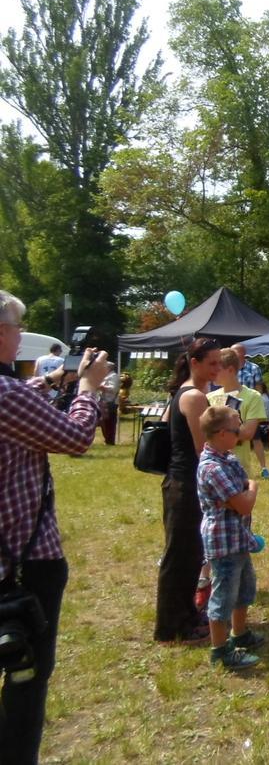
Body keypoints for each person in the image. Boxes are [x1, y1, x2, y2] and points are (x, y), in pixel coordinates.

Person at [0, 290, 107, 762]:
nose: (20, 336)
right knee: (26, 674)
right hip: (24, 560)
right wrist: (87, 390)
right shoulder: (7, 395)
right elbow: (76, 438)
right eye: (16, 328)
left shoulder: (13, 392)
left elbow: (21, 399)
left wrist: (54, 379)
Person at [154, 337, 221, 643]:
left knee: (191, 554)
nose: (217, 369)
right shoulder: (194, 396)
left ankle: (187, 616)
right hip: (186, 483)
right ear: (195, 363)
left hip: (182, 482)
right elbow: (202, 447)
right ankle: (171, 626)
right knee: (180, 556)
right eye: (212, 363)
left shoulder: (183, 391)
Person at [196, 406, 263, 671]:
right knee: (223, 596)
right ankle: (220, 651)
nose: (241, 434)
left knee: (245, 588)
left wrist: (242, 493)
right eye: (237, 430)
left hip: (238, 537)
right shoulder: (212, 468)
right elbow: (244, 503)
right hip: (223, 541)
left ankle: (240, 633)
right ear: (222, 433)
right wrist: (252, 489)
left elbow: (241, 490)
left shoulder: (228, 458)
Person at [205, 348, 267, 476]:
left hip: (239, 469)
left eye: (217, 368)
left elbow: (248, 433)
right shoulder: (209, 397)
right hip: (212, 468)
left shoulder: (253, 397)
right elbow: (202, 433)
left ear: (230, 370)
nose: (213, 371)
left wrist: (216, 431)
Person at [98, 368, 121, 444]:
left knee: (110, 422)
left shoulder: (114, 376)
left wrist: (103, 387)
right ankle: (107, 439)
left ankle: (110, 440)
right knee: (104, 421)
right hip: (104, 401)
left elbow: (113, 389)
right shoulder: (106, 376)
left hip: (111, 402)